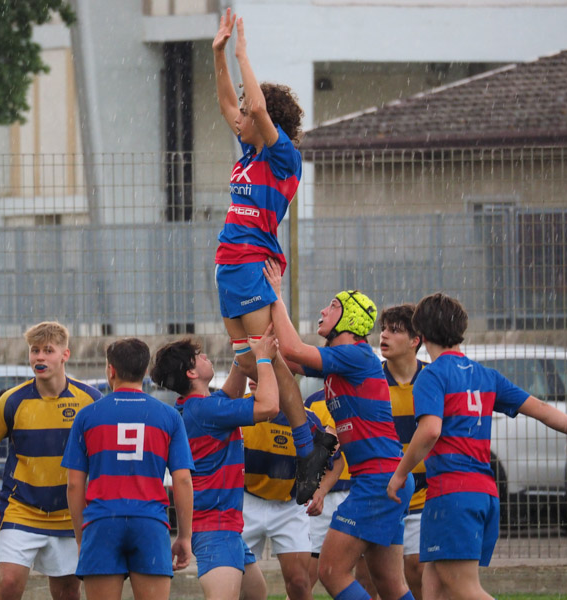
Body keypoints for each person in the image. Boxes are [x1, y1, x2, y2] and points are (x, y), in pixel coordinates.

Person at [386, 293, 567, 600]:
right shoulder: (486, 376)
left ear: (420, 334)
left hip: (454, 494)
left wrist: (399, 474)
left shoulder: (431, 375)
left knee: (462, 588)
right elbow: (539, 407)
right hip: (481, 494)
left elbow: (430, 430)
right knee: (433, 587)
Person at [211, 8, 320, 490]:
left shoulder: (281, 156)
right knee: (248, 359)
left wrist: (242, 54)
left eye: (250, 110)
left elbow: (254, 109)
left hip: (251, 265)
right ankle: (306, 440)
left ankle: (308, 445)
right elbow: (230, 107)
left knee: (268, 361)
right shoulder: (251, 153)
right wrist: (218, 58)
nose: (241, 115)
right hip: (229, 267)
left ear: (268, 119)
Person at [264, 259, 415, 600]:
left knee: (332, 571)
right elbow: (284, 358)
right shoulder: (341, 363)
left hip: (377, 480)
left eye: (332, 306)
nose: (322, 310)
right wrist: (256, 337)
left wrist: (276, 296)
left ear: (350, 319)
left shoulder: (355, 354)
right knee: (390, 585)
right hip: (384, 478)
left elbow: (291, 348)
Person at [0, 321, 102, 600]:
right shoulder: (12, 400)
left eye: (48, 350)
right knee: (8, 584)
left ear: (65, 355)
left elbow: (104, 455)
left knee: (68, 592)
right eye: (35, 351)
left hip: (71, 514)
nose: (40, 357)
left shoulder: (90, 400)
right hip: (21, 509)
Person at [62, 338, 194, 600]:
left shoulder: (87, 417)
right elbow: (182, 481)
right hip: (150, 523)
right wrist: (185, 537)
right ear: (145, 371)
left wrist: (81, 537)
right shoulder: (168, 417)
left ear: (111, 370)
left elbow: (74, 484)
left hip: (102, 523)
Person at [150, 336, 278, 600]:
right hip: (215, 527)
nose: (206, 356)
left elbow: (229, 394)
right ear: (192, 372)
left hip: (220, 525)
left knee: (256, 593)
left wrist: (242, 348)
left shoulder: (194, 407)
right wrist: (263, 358)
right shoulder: (208, 411)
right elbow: (269, 406)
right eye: (200, 356)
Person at [240, 380, 327, 600]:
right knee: (238, 582)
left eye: (263, 370)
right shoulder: (238, 411)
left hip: (290, 506)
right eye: (252, 371)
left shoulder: (305, 419)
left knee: (299, 582)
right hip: (245, 502)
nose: (254, 377)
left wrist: (320, 490)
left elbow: (332, 460)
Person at [379, 304, 428, 600]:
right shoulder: (371, 380)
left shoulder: (433, 379)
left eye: (395, 330)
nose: (384, 335)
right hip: (383, 491)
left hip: (425, 492)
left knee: (417, 570)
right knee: (377, 577)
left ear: (415, 340)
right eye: (383, 328)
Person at [301, 390, 350, 595]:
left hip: (355, 490)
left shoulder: (364, 392)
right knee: (304, 579)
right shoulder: (313, 401)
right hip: (322, 497)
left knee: (369, 574)